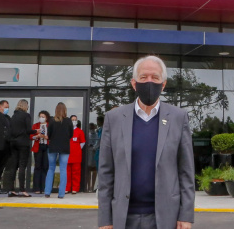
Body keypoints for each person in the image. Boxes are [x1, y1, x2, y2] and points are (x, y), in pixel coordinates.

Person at [98, 56, 195, 229]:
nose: (149, 82)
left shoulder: (179, 118)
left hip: (166, 218)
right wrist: (105, 220)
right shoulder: (114, 119)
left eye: (155, 77)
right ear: (134, 83)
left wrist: (186, 215)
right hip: (124, 217)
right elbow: (106, 173)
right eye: (143, 77)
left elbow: (186, 172)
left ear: (163, 84)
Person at [3, 99, 35, 197]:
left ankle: (11, 189)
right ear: (25, 106)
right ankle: (22, 189)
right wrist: (36, 131)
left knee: (13, 166)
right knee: (22, 166)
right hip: (23, 143)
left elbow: (10, 131)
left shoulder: (13, 116)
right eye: (27, 105)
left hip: (13, 143)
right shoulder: (26, 116)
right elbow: (29, 130)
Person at [45, 102, 72, 199]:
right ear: (65, 110)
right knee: (63, 169)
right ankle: (61, 194)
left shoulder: (52, 121)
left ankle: (47, 192)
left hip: (53, 147)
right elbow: (71, 135)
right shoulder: (68, 121)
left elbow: (49, 135)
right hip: (64, 147)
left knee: (51, 168)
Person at [31, 110, 51, 194]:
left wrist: (47, 137)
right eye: (40, 116)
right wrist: (37, 136)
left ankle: (44, 188)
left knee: (45, 166)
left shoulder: (50, 125)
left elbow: (53, 136)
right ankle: (37, 188)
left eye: (43, 117)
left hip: (47, 146)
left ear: (46, 118)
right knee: (38, 167)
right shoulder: (35, 125)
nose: (41, 118)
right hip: (38, 147)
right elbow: (31, 136)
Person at [67, 116, 86, 194]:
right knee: (67, 173)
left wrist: (77, 149)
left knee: (76, 172)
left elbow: (83, 142)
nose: (74, 121)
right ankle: (67, 188)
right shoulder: (66, 131)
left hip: (76, 156)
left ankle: (75, 188)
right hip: (67, 155)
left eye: (75, 120)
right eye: (72, 120)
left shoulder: (80, 131)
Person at [87, 120, 101, 192]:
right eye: (90, 128)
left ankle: (92, 187)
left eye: (92, 128)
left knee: (94, 170)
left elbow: (98, 142)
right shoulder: (87, 134)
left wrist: (94, 147)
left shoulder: (96, 134)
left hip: (94, 153)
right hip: (88, 153)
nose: (91, 129)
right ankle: (88, 186)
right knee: (88, 170)